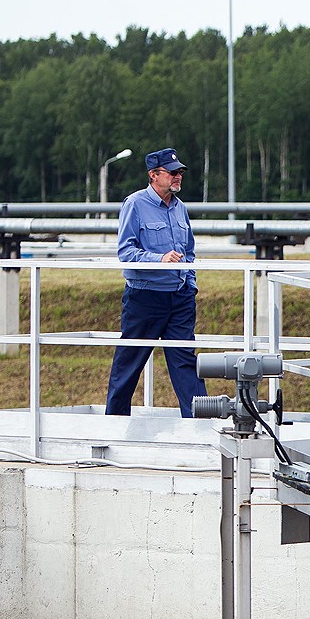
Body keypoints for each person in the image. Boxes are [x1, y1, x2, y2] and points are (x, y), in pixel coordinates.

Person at [105, 148, 207, 417]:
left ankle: (201, 423)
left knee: (185, 361)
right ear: (154, 175)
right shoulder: (135, 204)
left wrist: (190, 284)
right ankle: (114, 423)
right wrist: (158, 259)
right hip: (146, 299)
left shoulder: (180, 208)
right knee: (130, 363)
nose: (178, 177)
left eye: (180, 172)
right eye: (173, 173)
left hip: (180, 298)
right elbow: (125, 253)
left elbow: (190, 251)